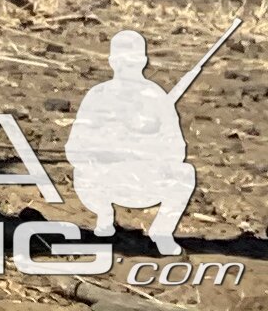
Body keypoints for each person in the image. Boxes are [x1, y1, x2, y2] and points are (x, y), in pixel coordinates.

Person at [64, 30, 196, 254]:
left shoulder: (157, 97)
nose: (127, 66)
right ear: (112, 62)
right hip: (103, 181)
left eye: (132, 61)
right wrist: (104, 152)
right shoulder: (97, 95)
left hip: (145, 180)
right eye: (122, 61)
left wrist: (147, 152)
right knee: (83, 172)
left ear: (143, 61)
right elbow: (74, 148)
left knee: (185, 173)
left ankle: (162, 232)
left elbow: (177, 149)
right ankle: (104, 216)